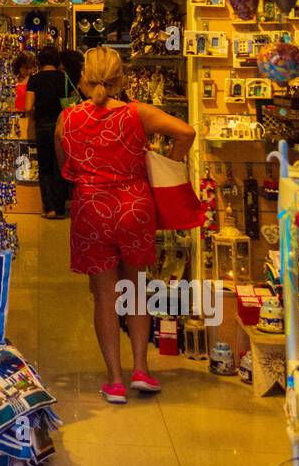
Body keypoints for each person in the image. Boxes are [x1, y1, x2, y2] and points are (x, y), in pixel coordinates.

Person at [54, 46, 195, 404]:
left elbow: (65, 166)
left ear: (84, 79)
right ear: (121, 79)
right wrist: (167, 165)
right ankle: (142, 370)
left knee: (105, 295)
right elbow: (186, 132)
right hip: (134, 205)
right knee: (135, 289)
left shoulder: (67, 118)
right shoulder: (137, 113)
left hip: (92, 208)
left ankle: (114, 380)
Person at [25, 44, 69, 220]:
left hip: (42, 126)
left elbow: (28, 106)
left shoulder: (34, 79)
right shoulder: (64, 78)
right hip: (62, 126)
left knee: (45, 168)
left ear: (40, 60)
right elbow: (71, 105)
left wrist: (36, 112)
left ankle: (49, 208)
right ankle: (60, 209)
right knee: (61, 166)